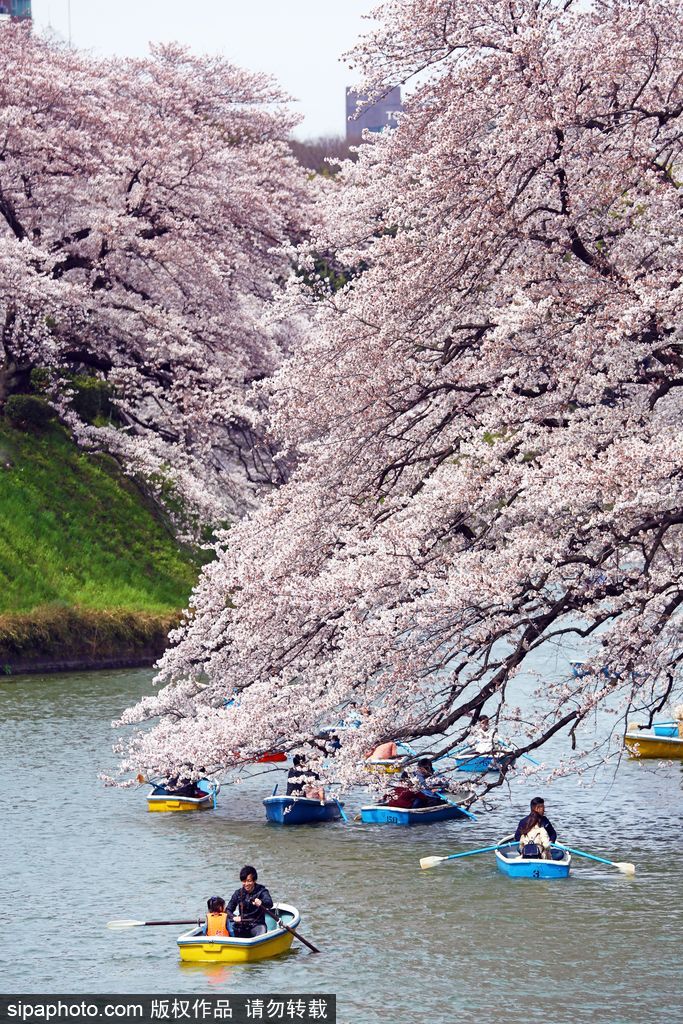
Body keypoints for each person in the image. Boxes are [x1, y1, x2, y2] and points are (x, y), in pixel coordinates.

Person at [227, 866, 274, 938]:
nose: (246, 884)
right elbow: (228, 910)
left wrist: (261, 902)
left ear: (254, 880)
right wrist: (233, 917)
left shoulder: (262, 891)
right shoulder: (238, 893)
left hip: (257, 925)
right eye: (244, 881)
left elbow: (270, 903)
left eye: (249, 881)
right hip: (241, 925)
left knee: (261, 933)